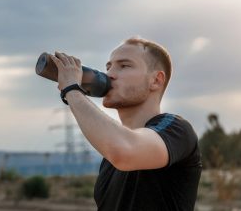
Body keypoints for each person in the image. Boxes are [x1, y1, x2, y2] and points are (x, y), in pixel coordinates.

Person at [49, 37, 202, 211]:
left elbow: (125, 151)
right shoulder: (109, 159)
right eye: (108, 67)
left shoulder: (177, 129)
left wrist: (72, 90)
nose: (110, 74)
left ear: (156, 80)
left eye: (124, 66)